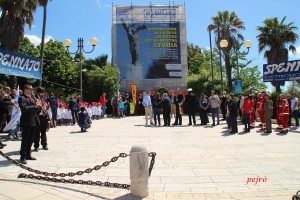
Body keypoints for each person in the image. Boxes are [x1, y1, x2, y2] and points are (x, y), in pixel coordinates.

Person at [18, 84, 41, 164]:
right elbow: (24, 108)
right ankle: (23, 156)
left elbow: (36, 109)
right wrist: (34, 106)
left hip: (33, 120)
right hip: (26, 121)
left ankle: (28, 154)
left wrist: (38, 106)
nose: (31, 90)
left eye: (32, 89)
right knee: (25, 139)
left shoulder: (32, 98)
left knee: (31, 139)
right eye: (30, 89)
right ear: (25, 89)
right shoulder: (22, 98)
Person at [34, 87, 49, 151]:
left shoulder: (44, 98)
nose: (42, 94)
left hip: (44, 116)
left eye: (43, 92)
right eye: (41, 92)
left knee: (44, 131)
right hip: (38, 116)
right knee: (37, 132)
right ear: (38, 92)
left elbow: (47, 106)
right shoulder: (35, 98)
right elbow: (35, 108)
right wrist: (39, 106)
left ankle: (44, 144)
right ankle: (36, 145)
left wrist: (46, 107)